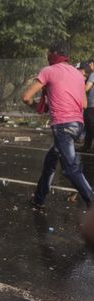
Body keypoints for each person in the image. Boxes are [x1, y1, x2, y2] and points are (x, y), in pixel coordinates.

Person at [22, 41, 93, 208]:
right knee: (51, 161)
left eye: (48, 53)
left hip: (63, 126)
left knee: (70, 169)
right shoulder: (77, 74)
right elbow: (83, 104)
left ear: (53, 53)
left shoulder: (48, 71)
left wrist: (39, 107)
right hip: (78, 124)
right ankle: (39, 198)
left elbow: (26, 97)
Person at [79, 62, 94, 152]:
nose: (90, 65)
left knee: (89, 126)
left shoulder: (92, 74)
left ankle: (87, 146)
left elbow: (87, 87)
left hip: (91, 105)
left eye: (91, 64)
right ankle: (87, 146)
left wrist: (77, 91)